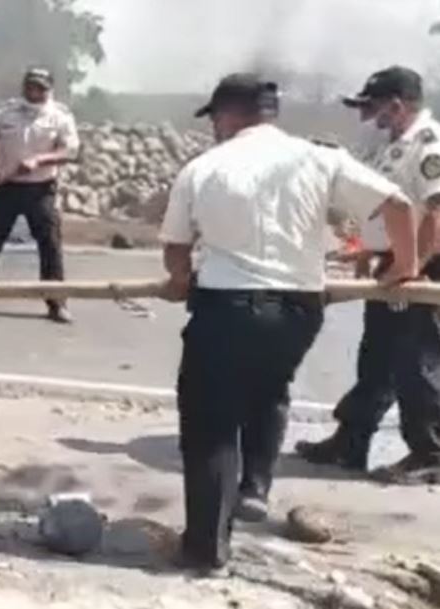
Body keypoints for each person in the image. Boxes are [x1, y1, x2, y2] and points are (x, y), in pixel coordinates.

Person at [160, 73, 416, 572]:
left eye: (215, 117)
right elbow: (399, 204)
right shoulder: (319, 157)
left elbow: (174, 248)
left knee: (211, 424)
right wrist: (405, 267)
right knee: (269, 386)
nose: (214, 127)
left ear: (229, 115)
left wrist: (181, 278)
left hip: (225, 307)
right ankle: (255, 487)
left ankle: (206, 550)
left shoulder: (205, 166)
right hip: (299, 311)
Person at [296, 66, 440, 484]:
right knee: (376, 355)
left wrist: (414, 266)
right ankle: (351, 439)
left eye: (375, 106)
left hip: (421, 267)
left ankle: (431, 450)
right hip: (394, 263)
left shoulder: (429, 145)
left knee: (416, 360)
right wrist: (368, 253)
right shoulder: (391, 143)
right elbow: (384, 206)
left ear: (397, 105)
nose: (370, 116)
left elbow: (435, 211)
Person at [0, 67, 81, 323]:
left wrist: (40, 159)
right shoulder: (5, 113)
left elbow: (70, 152)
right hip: (6, 187)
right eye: (31, 86)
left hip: (41, 188)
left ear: (49, 90)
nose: (34, 92)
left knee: (50, 244)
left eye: (40, 88)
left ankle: (56, 302)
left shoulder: (60, 117)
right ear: (24, 86)